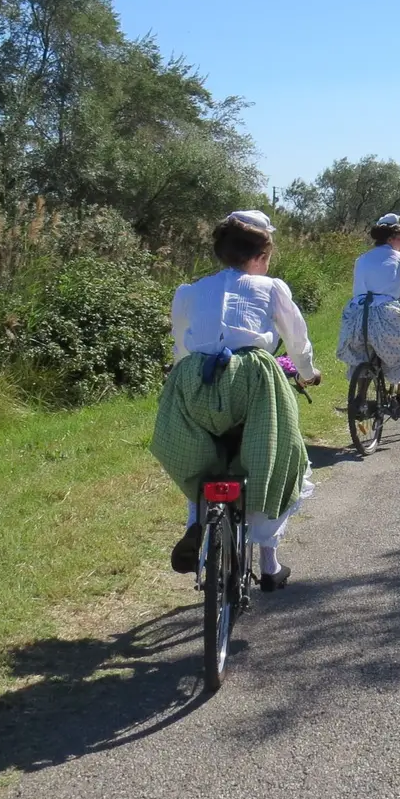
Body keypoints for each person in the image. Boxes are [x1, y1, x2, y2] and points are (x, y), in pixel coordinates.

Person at [151, 210, 321, 591]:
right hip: (251, 380)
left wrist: (185, 375)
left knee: (201, 461)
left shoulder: (190, 291)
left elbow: (181, 344)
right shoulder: (272, 288)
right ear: (262, 256)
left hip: (195, 378)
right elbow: (297, 340)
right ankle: (270, 563)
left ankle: (197, 524)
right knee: (276, 458)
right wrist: (308, 373)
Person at [337, 214, 400, 394]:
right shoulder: (398, 258)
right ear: (391, 239)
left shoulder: (361, 259)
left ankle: (359, 398)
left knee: (362, 356)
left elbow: (357, 289)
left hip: (357, 314)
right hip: (385, 314)